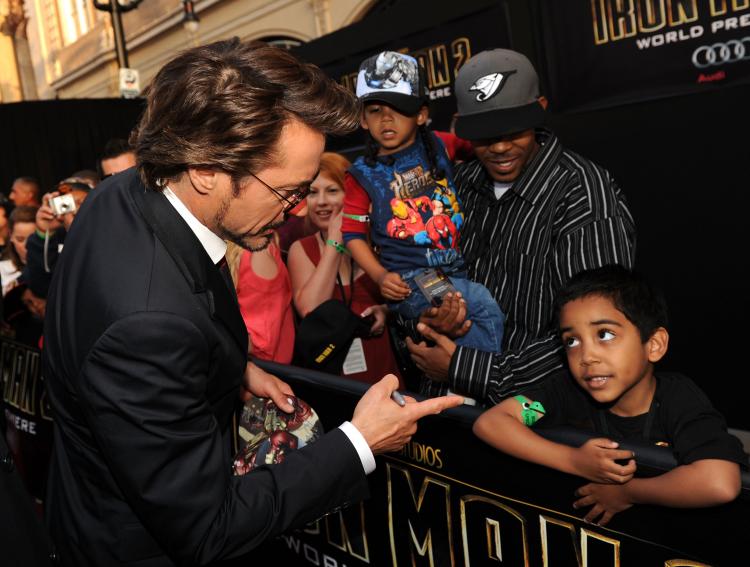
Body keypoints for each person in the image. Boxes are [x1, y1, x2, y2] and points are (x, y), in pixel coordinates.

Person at [42, 39, 462, 567]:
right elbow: (207, 528)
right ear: (206, 168)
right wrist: (360, 442)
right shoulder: (150, 325)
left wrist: (232, 365)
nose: (293, 214)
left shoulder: (125, 192)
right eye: (288, 192)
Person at [407, 48, 636, 404]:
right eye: (483, 134)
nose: (499, 146)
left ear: (540, 109)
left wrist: (465, 368)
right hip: (442, 407)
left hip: (537, 418)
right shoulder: (457, 186)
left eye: (512, 130)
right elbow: (419, 273)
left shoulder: (583, 195)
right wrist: (430, 318)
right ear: (460, 124)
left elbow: (600, 332)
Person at [473, 265, 747, 526]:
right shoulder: (567, 392)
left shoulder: (678, 398)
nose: (587, 356)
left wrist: (628, 493)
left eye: (604, 334)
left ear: (654, 345)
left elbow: (719, 482)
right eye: (572, 341)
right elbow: (492, 422)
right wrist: (574, 461)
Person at [342, 51, 504, 355]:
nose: (386, 119)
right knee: (480, 305)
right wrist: (379, 276)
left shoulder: (442, 144)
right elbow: (351, 235)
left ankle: (456, 384)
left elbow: (482, 145)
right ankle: (479, 384)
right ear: (362, 119)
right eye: (375, 110)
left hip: (457, 265)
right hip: (411, 279)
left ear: (421, 114)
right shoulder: (361, 174)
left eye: (399, 109)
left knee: (469, 313)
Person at [288, 152, 402, 386]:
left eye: (332, 190)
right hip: (334, 379)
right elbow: (311, 310)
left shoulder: (378, 242)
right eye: (312, 192)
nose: (321, 201)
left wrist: (385, 311)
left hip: (385, 370)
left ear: (351, 194)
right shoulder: (301, 249)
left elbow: (406, 299)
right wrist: (335, 240)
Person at [227, 234, 296, 364]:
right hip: (264, 371)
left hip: (249, 367)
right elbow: (261, 342)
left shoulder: (259, 245)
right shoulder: (258, 251)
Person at [0, 206, 38, 295]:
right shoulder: (2, 269)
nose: (26, 245)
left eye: (33, 239)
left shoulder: (57, 263)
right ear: (11, 236)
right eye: (20, 239)